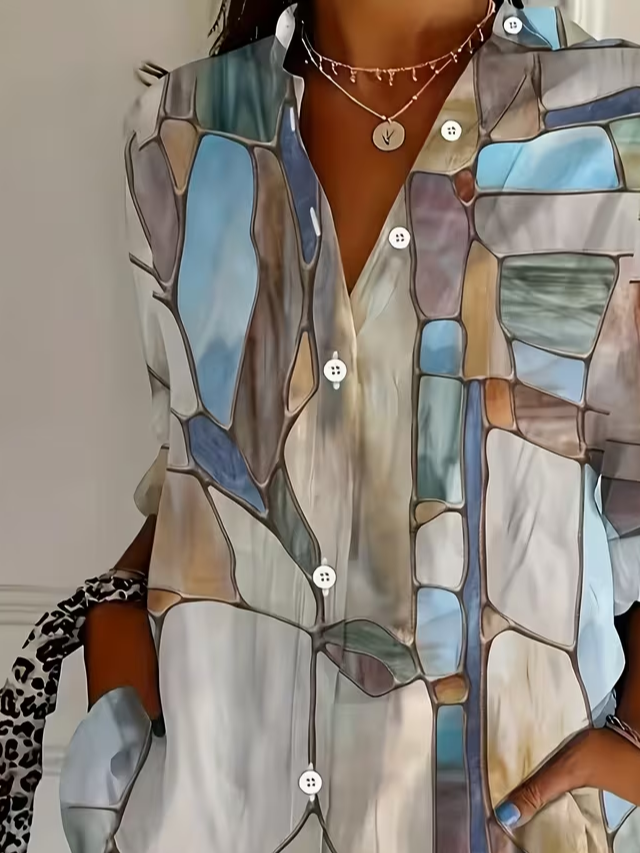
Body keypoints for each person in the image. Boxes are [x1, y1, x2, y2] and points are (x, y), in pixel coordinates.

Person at [3, 0, 640, 851]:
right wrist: (115, 632)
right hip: (214, 817)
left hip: (498, 819)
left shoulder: (616, 119)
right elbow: (201, 461)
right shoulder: (176, 130)